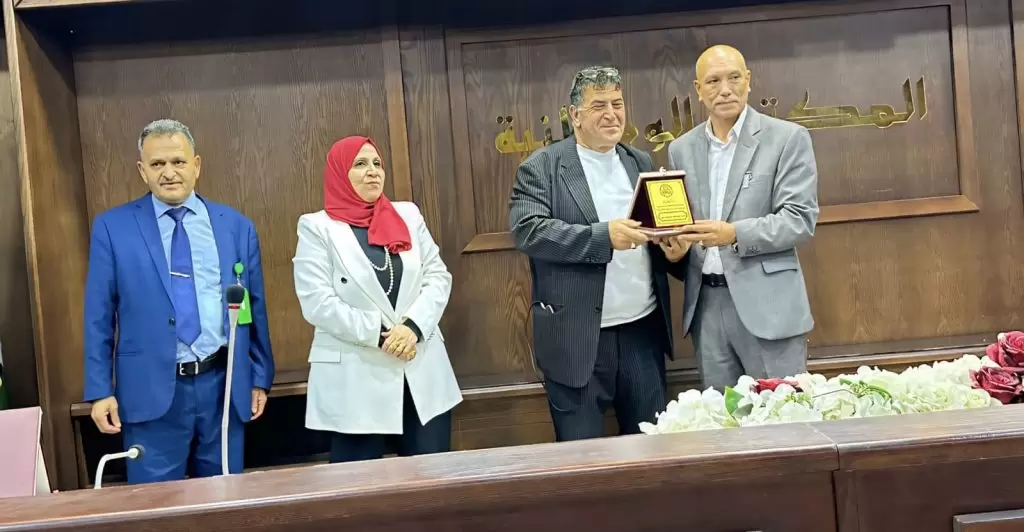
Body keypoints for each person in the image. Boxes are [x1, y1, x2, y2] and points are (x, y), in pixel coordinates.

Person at [83, 119, 275, 483]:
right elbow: (99, 315)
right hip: (150, 392)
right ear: (142, 170)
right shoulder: (113, 228)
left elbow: (254, 308)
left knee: (225, 498)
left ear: (196, 165)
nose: (169, 173)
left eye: (178, 162)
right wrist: (99, 390)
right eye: (157, 164)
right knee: (156, 505)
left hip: (222, 386)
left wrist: (259, 377)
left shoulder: (236, 227)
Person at [508, 66, 689, 442]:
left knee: (652, 449)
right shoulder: (541, 167)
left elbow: (654, 232)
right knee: (581, 457)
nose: (611, 114)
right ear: (574, 115)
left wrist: (674, 253)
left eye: (617, 104)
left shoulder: (639, 161)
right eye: (599, 106)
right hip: (575, 338)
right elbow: (529, 231)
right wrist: (603, 237)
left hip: (642, 331)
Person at [293, 136, 462, 462]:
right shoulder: (317, 227)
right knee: (358, 485)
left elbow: (438, 277)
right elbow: (318, 302)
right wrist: (382, 335)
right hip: (356, 377)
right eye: (360, 164)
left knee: (432, 481)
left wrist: (412, 328)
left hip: (420, 370)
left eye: (377, 164)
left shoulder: (408, 215)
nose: (372, 171)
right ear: (339, 173)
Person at [667, 44, 819, 391]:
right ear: (698, 90)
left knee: (782, 413)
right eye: (713, 81)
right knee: (721, 417)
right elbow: (682, 223)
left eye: (734, 78)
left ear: (748, 80)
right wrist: (677, 250)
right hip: (707, 307)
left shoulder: (787, 138)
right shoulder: (681, 149)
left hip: (769, 308)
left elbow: (799, 219)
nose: (725, 89)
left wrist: (733, 233)